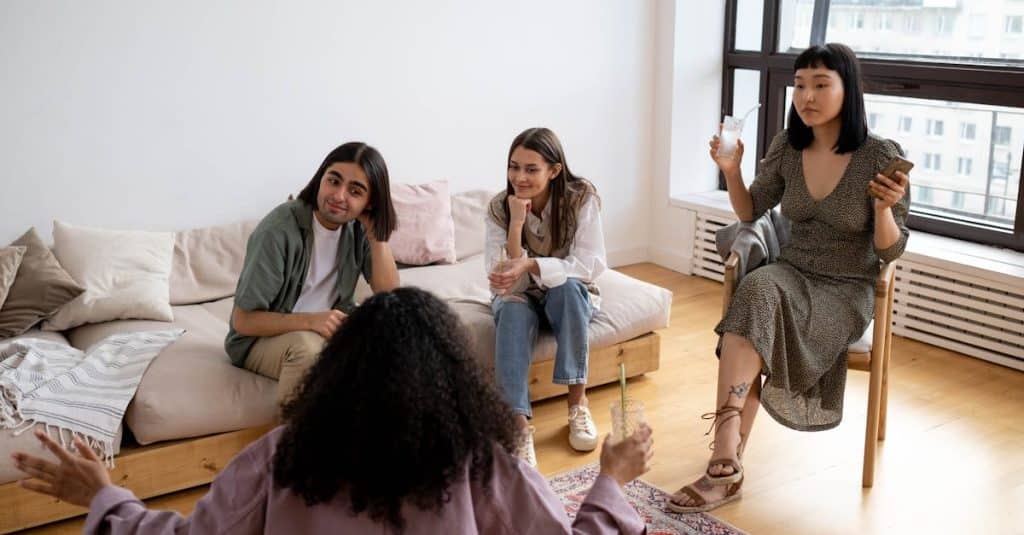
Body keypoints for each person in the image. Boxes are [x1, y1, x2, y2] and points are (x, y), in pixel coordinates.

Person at [12, 287, 654, 534]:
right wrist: (612, 480)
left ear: (339, 369)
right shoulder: (480, 466)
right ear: (454, 380)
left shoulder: (281, 457)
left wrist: (104, 498)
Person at [668, 43, 911, 512]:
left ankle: (725, 460)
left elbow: (891, 249)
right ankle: (725, 452)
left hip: (846, 289)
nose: (807, 96)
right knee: (757, 287)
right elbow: (749, 210)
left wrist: (883, 209)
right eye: (800, 85)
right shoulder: (788, 145)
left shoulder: (880, 155)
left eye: (821, 84)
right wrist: (731, 171)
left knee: (759, 307)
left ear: (848, 89)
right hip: (793, 272)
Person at [224, 141, 399, 406]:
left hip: (325, 330)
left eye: (355, 191)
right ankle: (295, 445)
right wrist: (312, 321)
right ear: (321, 179)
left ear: (369, 202)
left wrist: (377, 236)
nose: (339, 195)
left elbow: (390, 295)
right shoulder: (279, 230)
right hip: (260, 340)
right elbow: (243, 320)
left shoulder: (357, 229)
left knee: (397, 339)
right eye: (334, 181)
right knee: (308, 351)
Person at [486, 127, 608, 466]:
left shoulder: (581, 198)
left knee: (568, 289)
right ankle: (518, 426)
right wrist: (515, 225)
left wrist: (532, 264)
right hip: (519, 294)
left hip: (565, 292)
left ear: (554, 171)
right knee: (511, 308)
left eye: (530, 169)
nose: (519, 177)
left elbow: (589, 265)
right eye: (514, 167)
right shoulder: (498, 207)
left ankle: (577, 405)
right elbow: (501, 274)